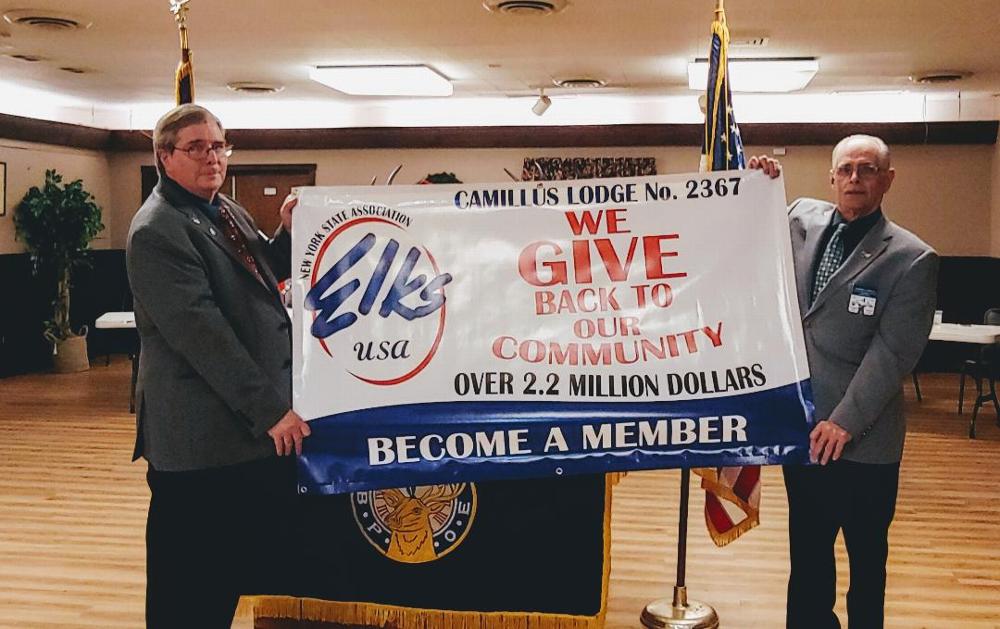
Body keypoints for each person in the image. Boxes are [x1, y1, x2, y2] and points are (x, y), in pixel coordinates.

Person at [126, 103, 311, 628]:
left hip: (241, 441)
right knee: (189, 593)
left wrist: (286, 234)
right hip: (199, 445)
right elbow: (203, 338)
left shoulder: (225, 210)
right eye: (197, 147)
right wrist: (272, 410)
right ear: (165, 157)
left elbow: (259, 275)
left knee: (239, 574)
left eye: (219, 145)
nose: (213, 157)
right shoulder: (157, 230)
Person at [751, 135, 938, 629]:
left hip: (864, 444)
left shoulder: (912, 258)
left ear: (887, 180)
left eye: (867, 169)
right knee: (808, 560)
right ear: (832, 177)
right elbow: (749, 218)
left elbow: (893, 353)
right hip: (806, 436)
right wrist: (758, 176)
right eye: (847, 169)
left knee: (866, 565)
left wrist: (843, 423)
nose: (855, 178)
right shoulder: (799, 218)